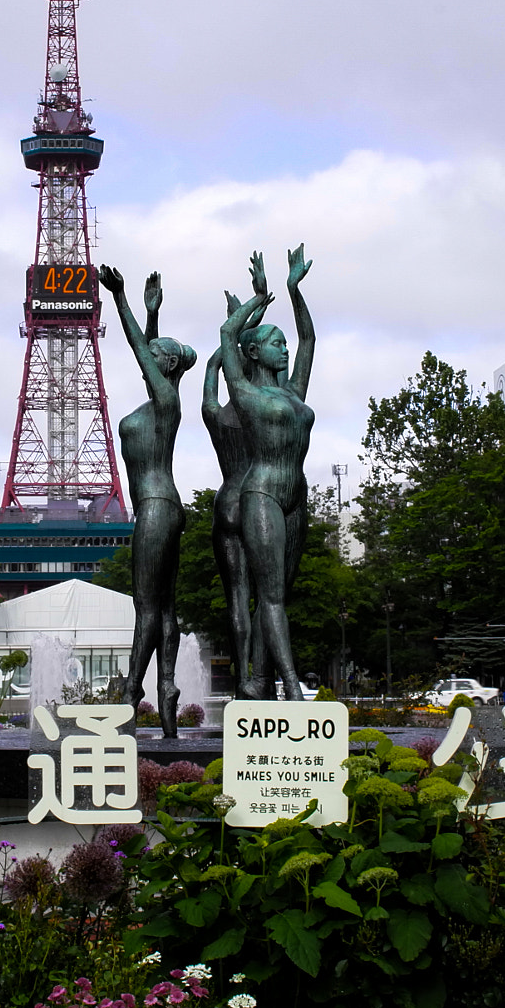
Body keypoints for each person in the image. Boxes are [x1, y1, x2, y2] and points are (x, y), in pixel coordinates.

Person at [98, 265, 197, 737]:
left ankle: (132, 692)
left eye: (157, 356)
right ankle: (168, 687)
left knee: (146, 609)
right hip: (164, 506)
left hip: (156, 506)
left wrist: (120, 299)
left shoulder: (166, 404)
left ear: (168, 368)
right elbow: (149, 355)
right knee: (164, 609)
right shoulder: (161, 403)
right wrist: (152, 315)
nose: (146, 357)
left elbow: (142, 353)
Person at [218, 247, 316, 701]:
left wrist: (294, 290)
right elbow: (226, 332)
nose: (284, 346)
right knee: (271, 596)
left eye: (283, 341)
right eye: (275, 341)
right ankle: (291, 690)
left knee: (277, 597)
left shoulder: (294, 392)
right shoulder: (244, 394)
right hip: (262, 495)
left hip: (297, 496)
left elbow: (309, 341)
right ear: (254, 351)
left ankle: (259, 681)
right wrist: (257, 300)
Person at [201, 292, 269, 697]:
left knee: (237, 598)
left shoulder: (216, 414)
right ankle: (261, 679)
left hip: (226, 501)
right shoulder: (258, 408)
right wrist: (250, 322)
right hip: (258, 500)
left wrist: (234, 331)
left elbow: (215, 363)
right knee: (268, 598)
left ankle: (242, 676)